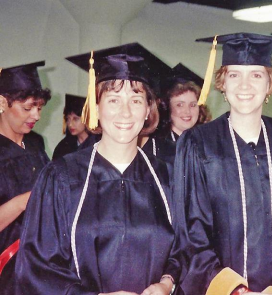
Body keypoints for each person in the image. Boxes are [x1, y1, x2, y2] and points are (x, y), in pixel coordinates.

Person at [15, 43, 180, 295]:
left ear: (148, 110)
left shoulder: (169, 179)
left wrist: (166, 284)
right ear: (97, 107)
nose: (125, 112)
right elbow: (36, 268)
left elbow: (185, 250)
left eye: (136, 100)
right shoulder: (61, 177)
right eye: (113, 99)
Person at [174, 33, 272, 295]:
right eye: (235, 74)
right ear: (222, 83)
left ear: (270, 83)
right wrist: (235, 290)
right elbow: (191, 234)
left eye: (256, 75)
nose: (245, 85)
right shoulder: (198, 144)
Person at [0, 61, 51, 294]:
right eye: (28, 107)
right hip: (7, 270)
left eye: (39, 107)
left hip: (42, 260)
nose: (37, 115)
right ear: (2, 102)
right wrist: (23, 202)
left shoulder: (35, 143)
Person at [52, 94, 90, 160]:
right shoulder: (63, 147)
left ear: (87, 119)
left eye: (75, 119)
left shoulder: (98, 143)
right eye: (68, 119)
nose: (70, 124)